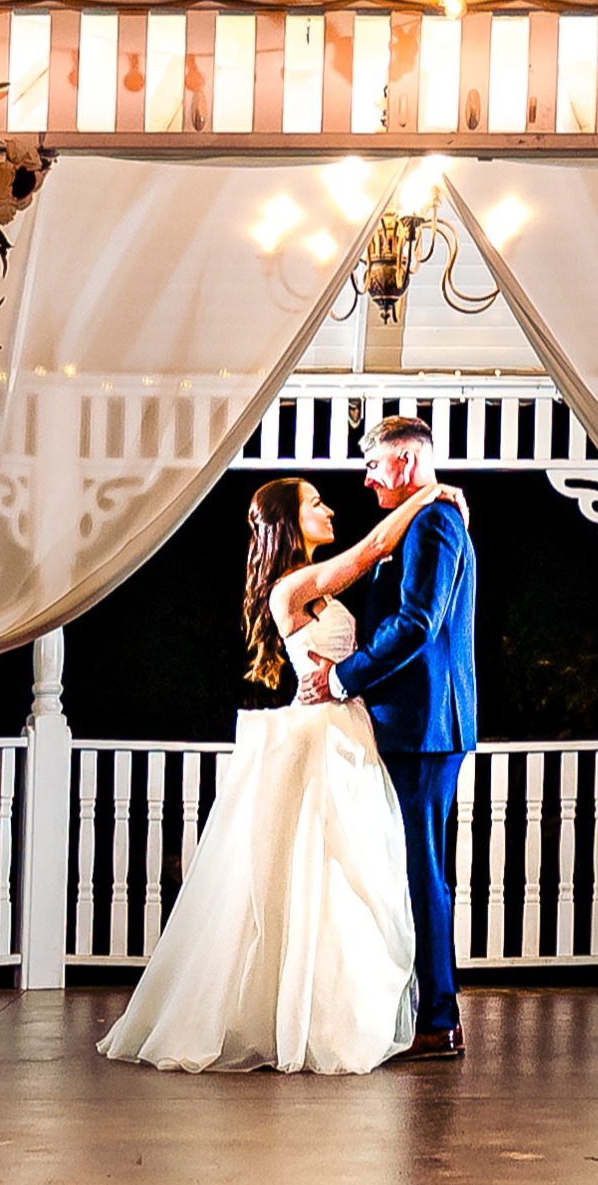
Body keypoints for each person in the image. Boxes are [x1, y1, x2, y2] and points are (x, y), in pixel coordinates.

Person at [96, 473, 443, 1075]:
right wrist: (430, 496)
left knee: (341, 880)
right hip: (321, 735)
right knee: (318, 874)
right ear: (288, 521)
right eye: (315, 504)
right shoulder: (293, 586)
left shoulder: (308, 584)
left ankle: (329, 1010)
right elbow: (373, 550)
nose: (330, 509)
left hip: (342, 730)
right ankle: (302, 1019)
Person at [321, 413, 480, 1061]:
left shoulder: (435, 523)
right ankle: (430, 1010)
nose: (366, 479)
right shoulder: (424, 520)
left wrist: (344, 678)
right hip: (420, 726)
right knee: (420, 872)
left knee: (424, 875)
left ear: (407, 463)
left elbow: (417, 623)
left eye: (374, 466)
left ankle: (438, 1019)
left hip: (424, 727)